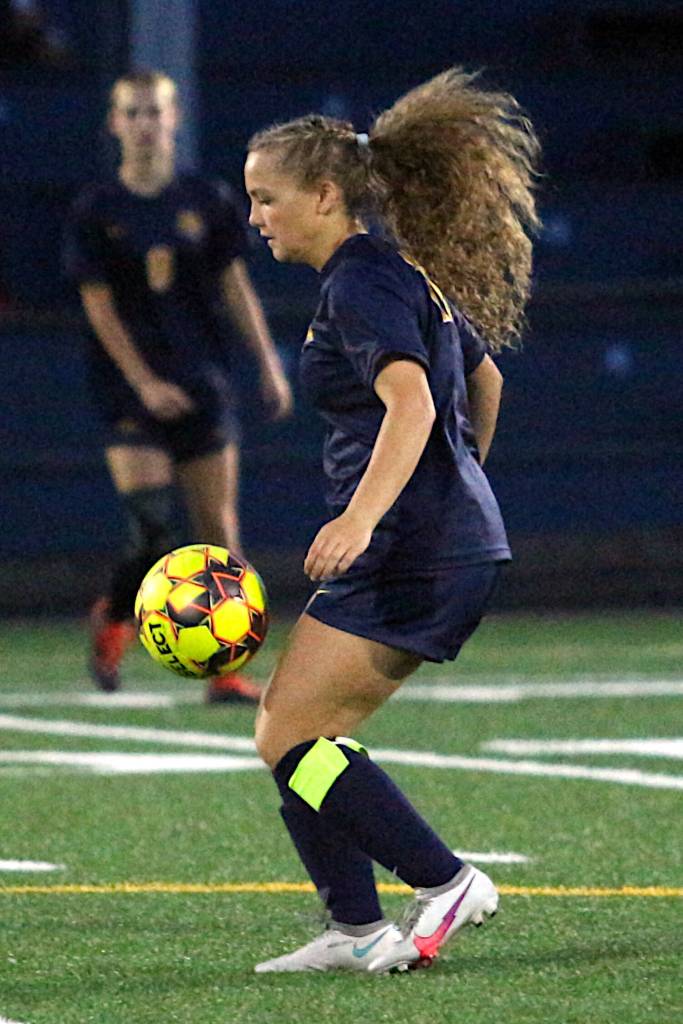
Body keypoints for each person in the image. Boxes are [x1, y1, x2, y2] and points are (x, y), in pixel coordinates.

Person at [243, 67, 540, 972]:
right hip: (438, 541)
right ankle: (354, 928)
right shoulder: (396, 272)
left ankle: (444, 882)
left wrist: (371, 517)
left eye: (268, 197)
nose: (256, 217)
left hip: (411, 549)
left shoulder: (360, 283)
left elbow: (411, 403)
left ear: (326, 195)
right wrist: (459, 489)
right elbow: (484, 380)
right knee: (302, 734)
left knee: (288, 736)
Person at [63, 70, 293, 704]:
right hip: (129, 388)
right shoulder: (95, 210)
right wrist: (143, 380)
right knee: (153, 529)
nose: (143, 124)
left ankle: (225, 673)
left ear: (174, 119)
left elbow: (232, 285)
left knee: (219, 534)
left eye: (153, 113)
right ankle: (114, 616)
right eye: (131, 113)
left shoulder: (208, 200)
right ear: (114, 124)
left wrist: (268, 363)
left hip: (202, 379)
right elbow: (98, 307)